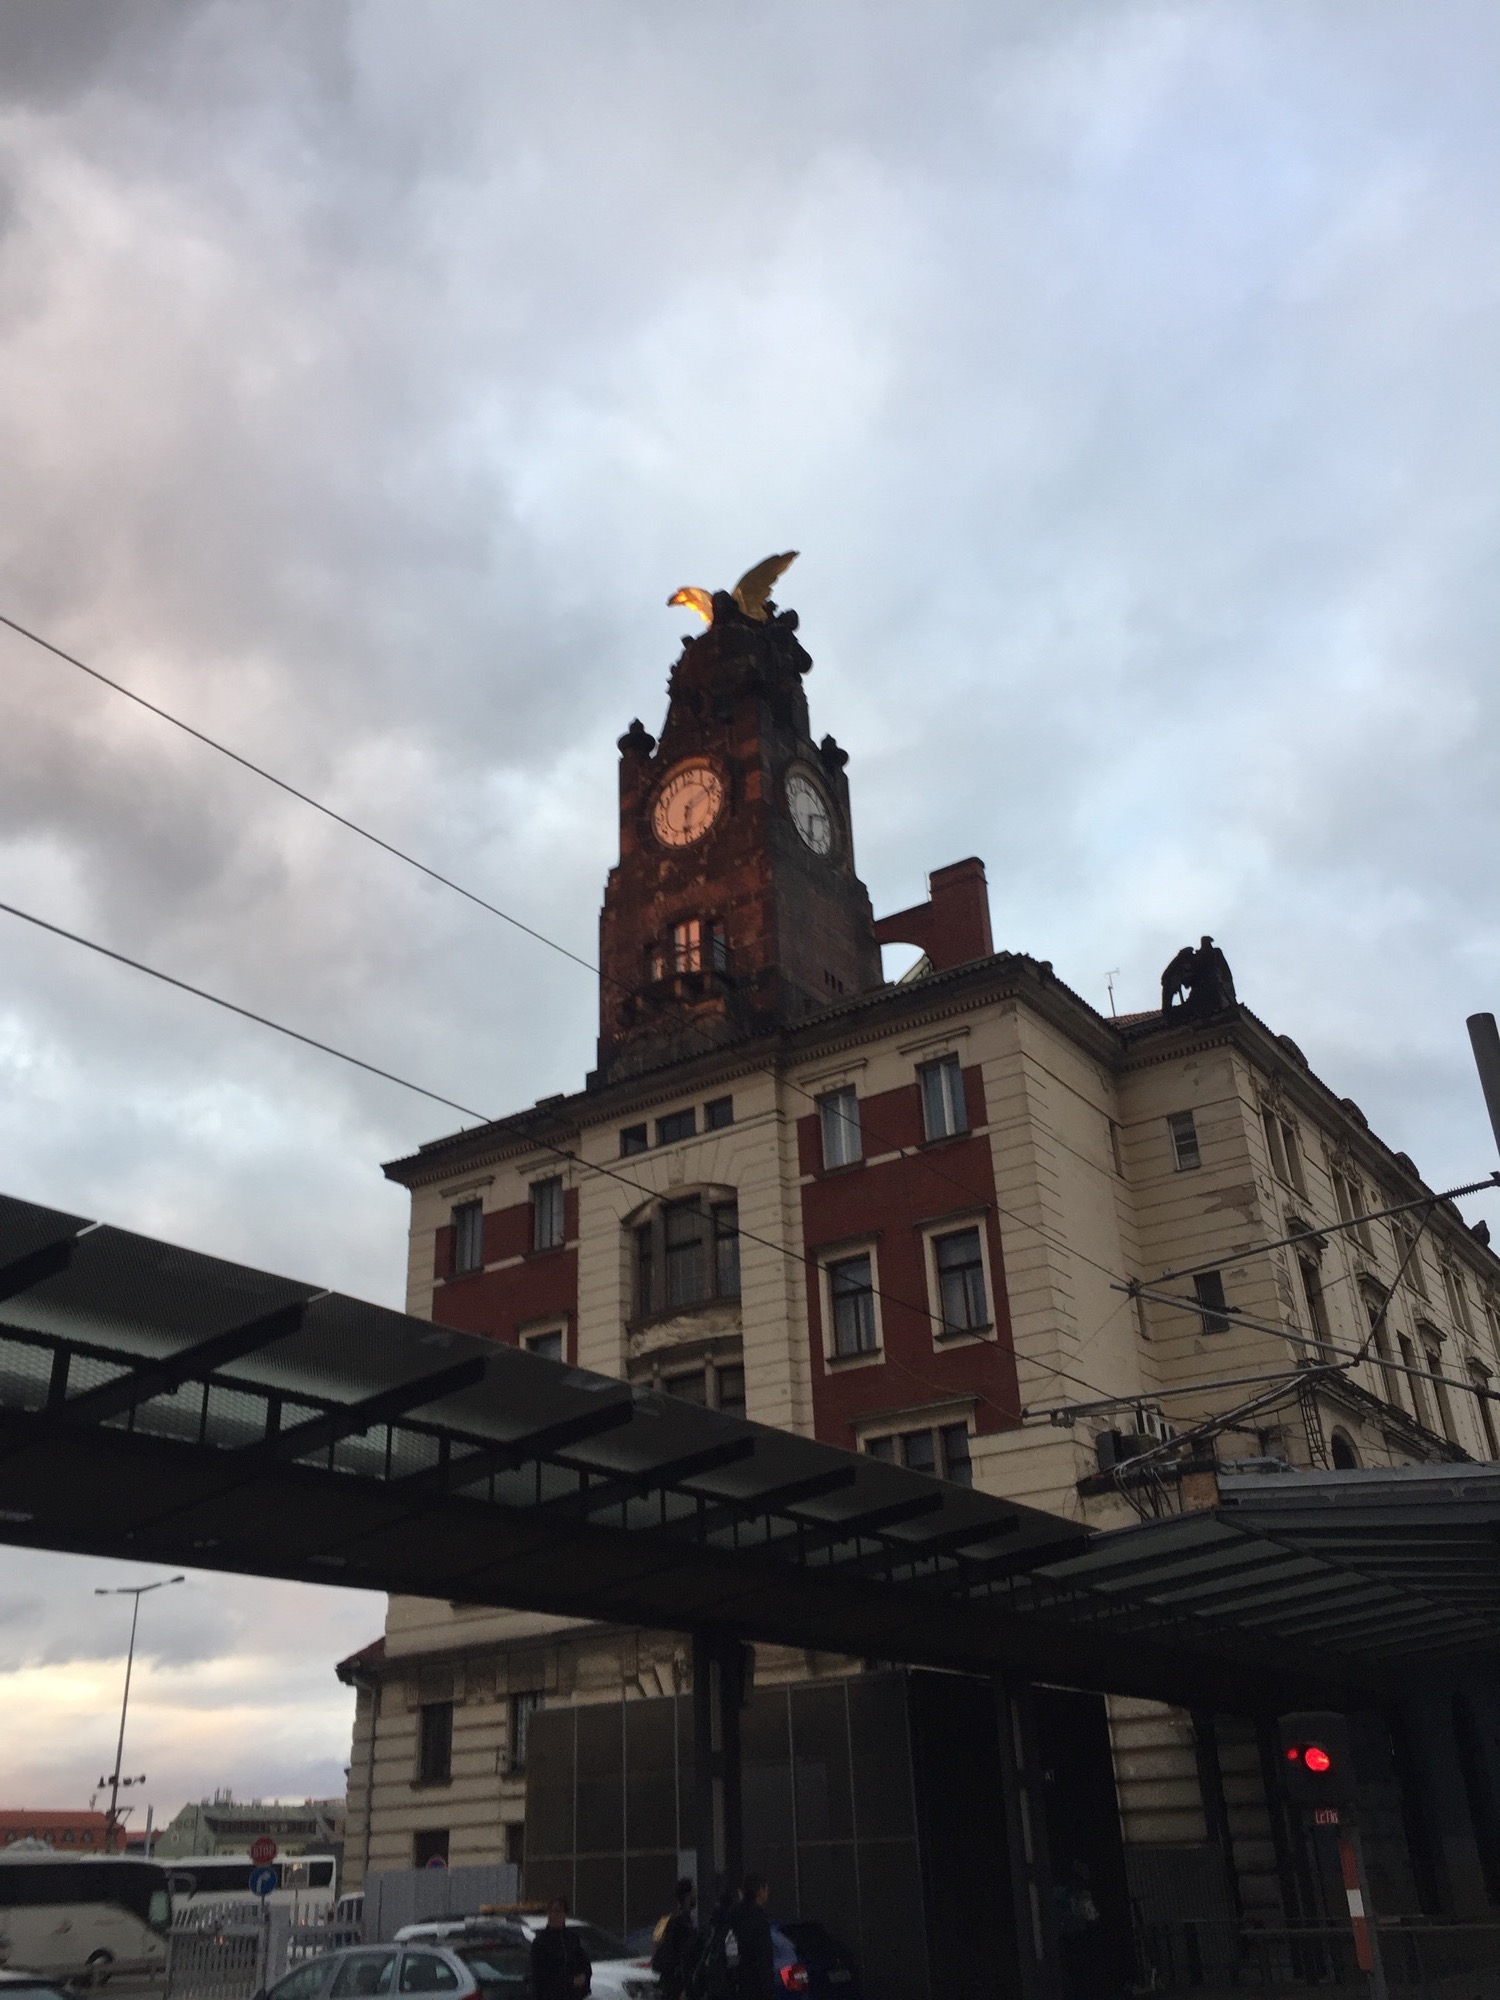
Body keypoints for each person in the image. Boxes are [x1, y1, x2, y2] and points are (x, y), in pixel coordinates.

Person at [530, 1898, 591, 2000]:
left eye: (558, 1911)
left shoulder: (572, 1939)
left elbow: (584, 1963)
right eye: (551, 1911)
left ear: (564, 1914)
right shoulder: (541, 1942)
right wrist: (569, 1981)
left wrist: (583, 1977)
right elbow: (541, 1974)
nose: (554, 1915)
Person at [689, 1882, 741, 2000]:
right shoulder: (730, 1931)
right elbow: (733, 1962)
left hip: (713, 1989)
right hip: (725, 1989)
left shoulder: (714, 1931)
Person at [651, 1877, 700, 2000]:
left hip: (669, 1982)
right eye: (693, 1892)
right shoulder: (682, 1923)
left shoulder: (670, 1921)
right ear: (688, 1896)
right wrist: (685, 1988)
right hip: (677, 1984)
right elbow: (684, 1957)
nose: (695, 1895)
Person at [729, 1873, 775, 2000]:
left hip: (736, 1983)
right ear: (760, 1891)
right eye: (766, 1889)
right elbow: (764, 1956)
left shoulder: (733, 1915)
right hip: (755, 1985)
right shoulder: (759, 1918)